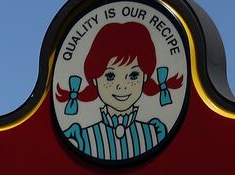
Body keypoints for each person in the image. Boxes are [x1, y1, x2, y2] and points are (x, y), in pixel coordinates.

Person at [56, 22, 184, 161]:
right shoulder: (82, 137)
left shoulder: (154, 132)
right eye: (110, 76)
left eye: (133, 75)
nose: (121, 86)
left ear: (145, 76)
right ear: (94, 79)